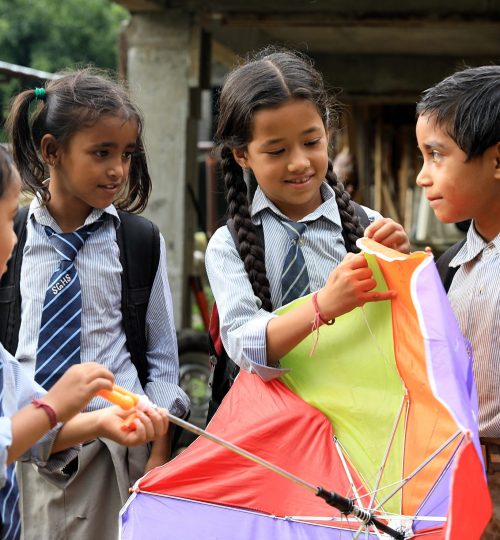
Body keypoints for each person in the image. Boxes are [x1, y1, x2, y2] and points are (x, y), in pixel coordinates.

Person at [4, 69, 189, 540]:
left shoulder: (138, 241)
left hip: (113, 450)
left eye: (126, 154)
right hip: (23, 449)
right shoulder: (10, 239)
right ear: (52, 151)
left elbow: (164, 365)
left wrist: (159, 446)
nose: (118, 170)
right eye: (101, 153)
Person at [205, 47, 410, 381]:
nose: (299, 162)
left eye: (312, 143)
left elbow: (402, 331)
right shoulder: (228, 246)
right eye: (276, 150)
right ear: (241, 154)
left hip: (361, 420)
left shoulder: (368, 227)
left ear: (327, 132)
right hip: (274, 426)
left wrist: (402, 269)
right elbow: (243, 344)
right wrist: (322, 306)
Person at [415, 65, 500, 539]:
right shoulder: (447, 269)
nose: (424, 177)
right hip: (459, 478)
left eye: (436, 156)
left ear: (496, 160)